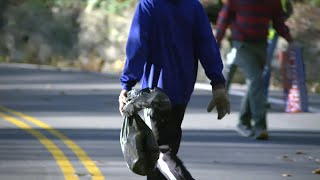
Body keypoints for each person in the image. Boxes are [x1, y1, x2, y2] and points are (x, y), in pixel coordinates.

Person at [118, 0, 230, 179]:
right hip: (183, 90)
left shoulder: (149, 5)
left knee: (160, 156)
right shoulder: (193, 6)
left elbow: (137, 45)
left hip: (155, 93)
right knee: (161, 151)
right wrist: (217, 83)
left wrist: (127, 84)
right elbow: (207, 45)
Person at [215, 0, 293, 140]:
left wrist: (289, 39)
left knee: (254, 85)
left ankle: (243, 122)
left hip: (261, 45)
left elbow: (278, 22)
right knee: (256, 80)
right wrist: (216, 41)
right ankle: (260, 127)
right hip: (242, 45)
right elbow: (224, 18)